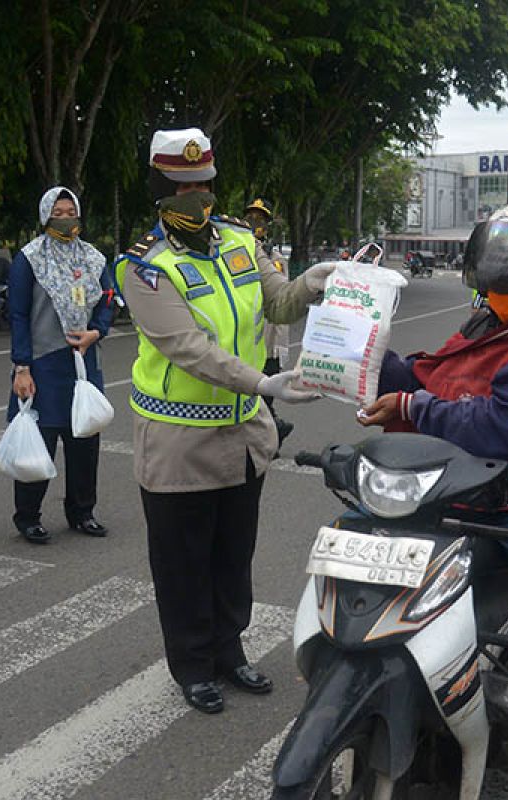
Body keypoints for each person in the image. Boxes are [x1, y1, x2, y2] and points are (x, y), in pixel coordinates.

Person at [114, 128, 336, 714]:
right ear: (163, 190)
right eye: (185, 186)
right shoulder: (144, 267)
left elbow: (275, 301)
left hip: (243, 435)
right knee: (184, 560)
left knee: (232, 554)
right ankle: (192, 664)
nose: (200, 194)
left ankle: (229, 650)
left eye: (206, 182)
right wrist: (263, 383)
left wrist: (310, 285)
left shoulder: (239, 239)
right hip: (178, 440)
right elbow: (186, 347)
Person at [359, 200, 508, 681]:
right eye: (496, 279)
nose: (501, 291)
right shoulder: (483, 324)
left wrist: (411, 406)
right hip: (449, 478)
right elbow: (427, 375)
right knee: (358, 536)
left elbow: (497, 428)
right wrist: (361, 346)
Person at [7, 186, 115, 544]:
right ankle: (28, 517)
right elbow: (19, 314)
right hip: (42, 363)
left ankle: (82, 512)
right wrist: (22, 366)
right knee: (40, 439)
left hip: (84, 361)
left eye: (71, 212)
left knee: (84, 440)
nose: (66, 218)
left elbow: (109, 297)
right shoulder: (30, 257)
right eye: (59, 211)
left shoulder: (93, 257)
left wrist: (96, 332)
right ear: (45, 214)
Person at [243, 197, 295, 448]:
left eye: (260, 219)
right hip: (247, 333)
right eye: (251, 218)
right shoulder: (238, 253)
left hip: (270, 335)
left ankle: (271, 432)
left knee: (267, 386)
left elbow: (280, 294)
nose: (255, 223)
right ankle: (274, 429)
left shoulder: (274, 258)